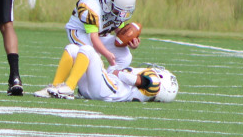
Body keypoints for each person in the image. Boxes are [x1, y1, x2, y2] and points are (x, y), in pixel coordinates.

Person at [35, 42, 178, 103]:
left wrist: (119, 73)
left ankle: (68, 88)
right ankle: (54, 87)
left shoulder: (155, 83)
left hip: (108, 90)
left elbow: (141, 82)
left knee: (87, 50)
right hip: (102, 88)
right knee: (72, 48)